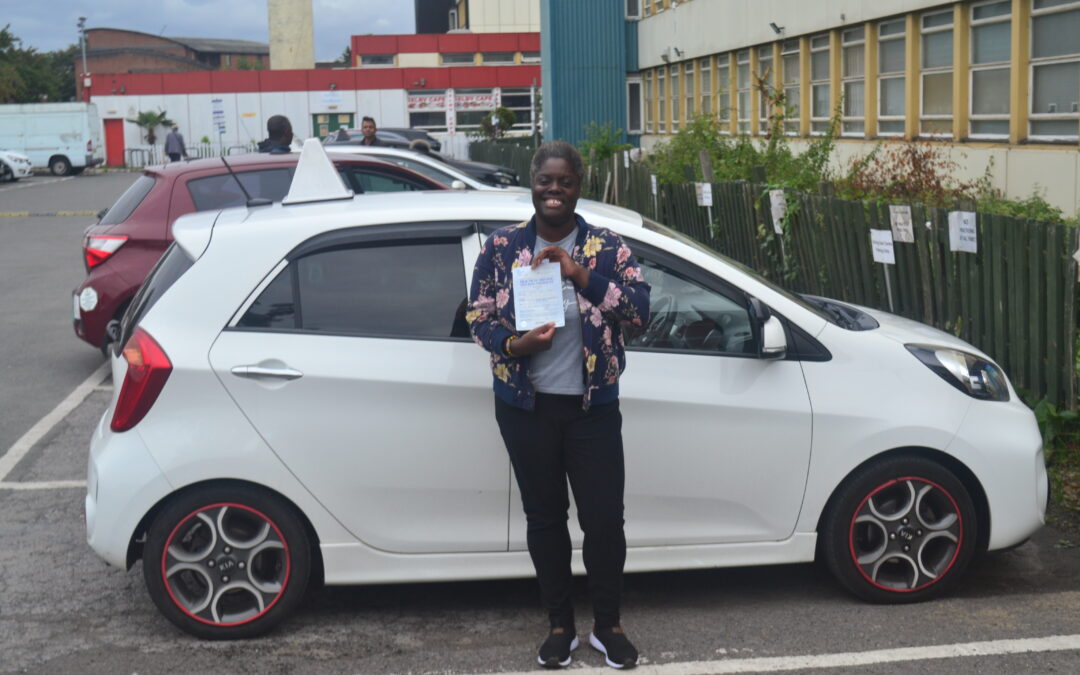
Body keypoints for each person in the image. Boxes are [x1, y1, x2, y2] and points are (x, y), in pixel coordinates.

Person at [466, 141, 650, 670]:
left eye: (564, 181)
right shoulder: (502, 248)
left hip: (592, 408)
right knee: (545, 519)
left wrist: (579, 274)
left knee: (604, 521)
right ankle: (559, 626)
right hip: (527, 408)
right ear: (533, 183)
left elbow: (639, 314)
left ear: (578, 186)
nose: (553, 190)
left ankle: (608, 626)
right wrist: (513, 345)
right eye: (545, 180)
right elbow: (477, 316)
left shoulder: (607, 249)